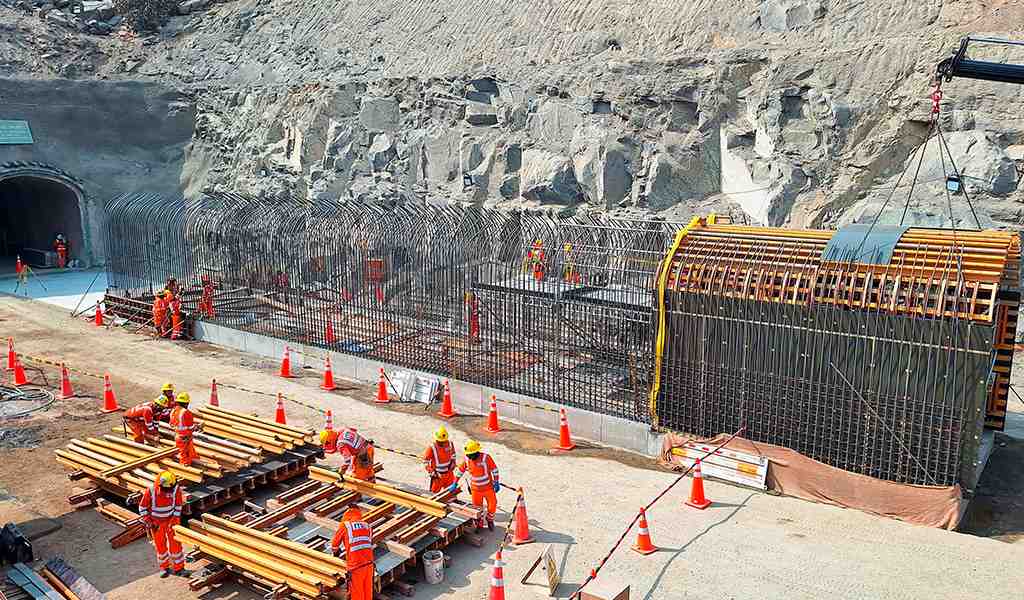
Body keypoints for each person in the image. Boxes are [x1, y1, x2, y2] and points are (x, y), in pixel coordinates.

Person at [138, 470, 188, 578]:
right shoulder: (151, 490)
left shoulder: (175, 489)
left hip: (171, 521)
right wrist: (148, 520)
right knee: (160, 545)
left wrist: (175, 519)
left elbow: (178, 505)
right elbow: (142, 507)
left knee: (176, 544)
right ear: (161, 485)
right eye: (167, 490)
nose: (168, 492)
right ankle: (164, 567)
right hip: (156, 523)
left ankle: (179, 568)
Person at [451, 439, 500, 530]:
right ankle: (479, 522)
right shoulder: (467, 459)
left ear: (476, 452)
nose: (469, 457)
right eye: (468, 455)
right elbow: (460, 471)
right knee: (477, 508)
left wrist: (496, 482)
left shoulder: (486, 458)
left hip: (488, 488)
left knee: (492, 504)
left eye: (470, 455)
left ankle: (489, 519)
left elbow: (495, 470)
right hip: (475, 490)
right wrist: (455, 482)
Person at [330, 506, 375, 600]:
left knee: (357, 593)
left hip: (356, 566)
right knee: (367, 590)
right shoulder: (367, 525)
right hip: (369, 564)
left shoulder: (345, 525)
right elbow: (366, 543)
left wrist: (336, 552)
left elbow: (334, 545)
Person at [422, 425, 457, 493]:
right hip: (437, 475)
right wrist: (431, 471)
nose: (441, 442)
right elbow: (425, 461)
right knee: (433, 494)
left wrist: (453, 463)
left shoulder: (450, 444)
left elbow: (453, 455)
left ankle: (452, 501)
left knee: (451, 492)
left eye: (442, 441)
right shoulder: (432, 447)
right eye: (439, 441)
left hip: (449, 474)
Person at [169, 392, 199, 466]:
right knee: (185, 456)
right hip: (185, 438)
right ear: (186, 403)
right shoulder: (186, 413)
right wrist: (197, 426)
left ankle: (195, 460)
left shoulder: (173, 411)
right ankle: (185, 468)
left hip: (178, 436)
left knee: (189, 452)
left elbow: (171, 424)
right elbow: (191, 427)